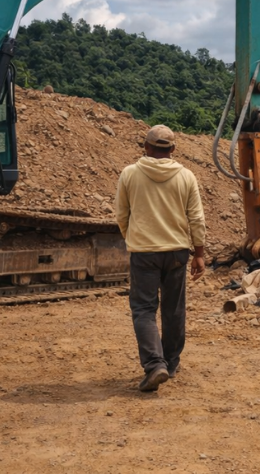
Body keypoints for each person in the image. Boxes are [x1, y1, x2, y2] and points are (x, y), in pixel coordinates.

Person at [114, 124, 207, 392]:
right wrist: (198, 254)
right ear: (173, 150)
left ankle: (155, 365)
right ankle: (171, 362)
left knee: (143, 309)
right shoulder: (186, 176)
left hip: (144, 252)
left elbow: (122, 215)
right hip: (177, 252)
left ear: (146, 147)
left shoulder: (130, 174)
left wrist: (132, 238)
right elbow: (197, 218)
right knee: (173, 308)